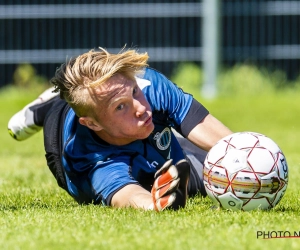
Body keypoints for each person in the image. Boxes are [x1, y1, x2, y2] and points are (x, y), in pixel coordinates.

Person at [8, 47, 232, 211]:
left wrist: (257, 158)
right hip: (65, 135)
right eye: (120, 106)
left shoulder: (150, 86)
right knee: (61, 107)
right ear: (93, 124)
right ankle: (49, 104)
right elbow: (127, 195)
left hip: (145, 140)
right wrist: (158, 204)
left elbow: (225, 141)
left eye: (134, 92)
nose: (140, 108)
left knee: (222, 169)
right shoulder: (86, 156)